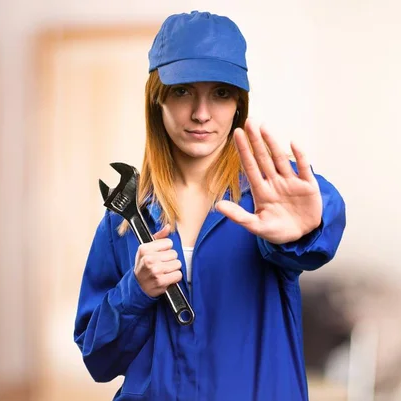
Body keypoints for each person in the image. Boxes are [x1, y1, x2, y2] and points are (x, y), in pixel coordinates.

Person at [74, 10, 346, 401]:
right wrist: (136, 290)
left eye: (220, 93)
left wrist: (313, 222)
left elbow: (323, 215)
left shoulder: (269, 196)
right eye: (183, 90)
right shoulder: (124, 218)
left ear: (239, 103)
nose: (201, 113)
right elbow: (98, 361)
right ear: (157, 100)